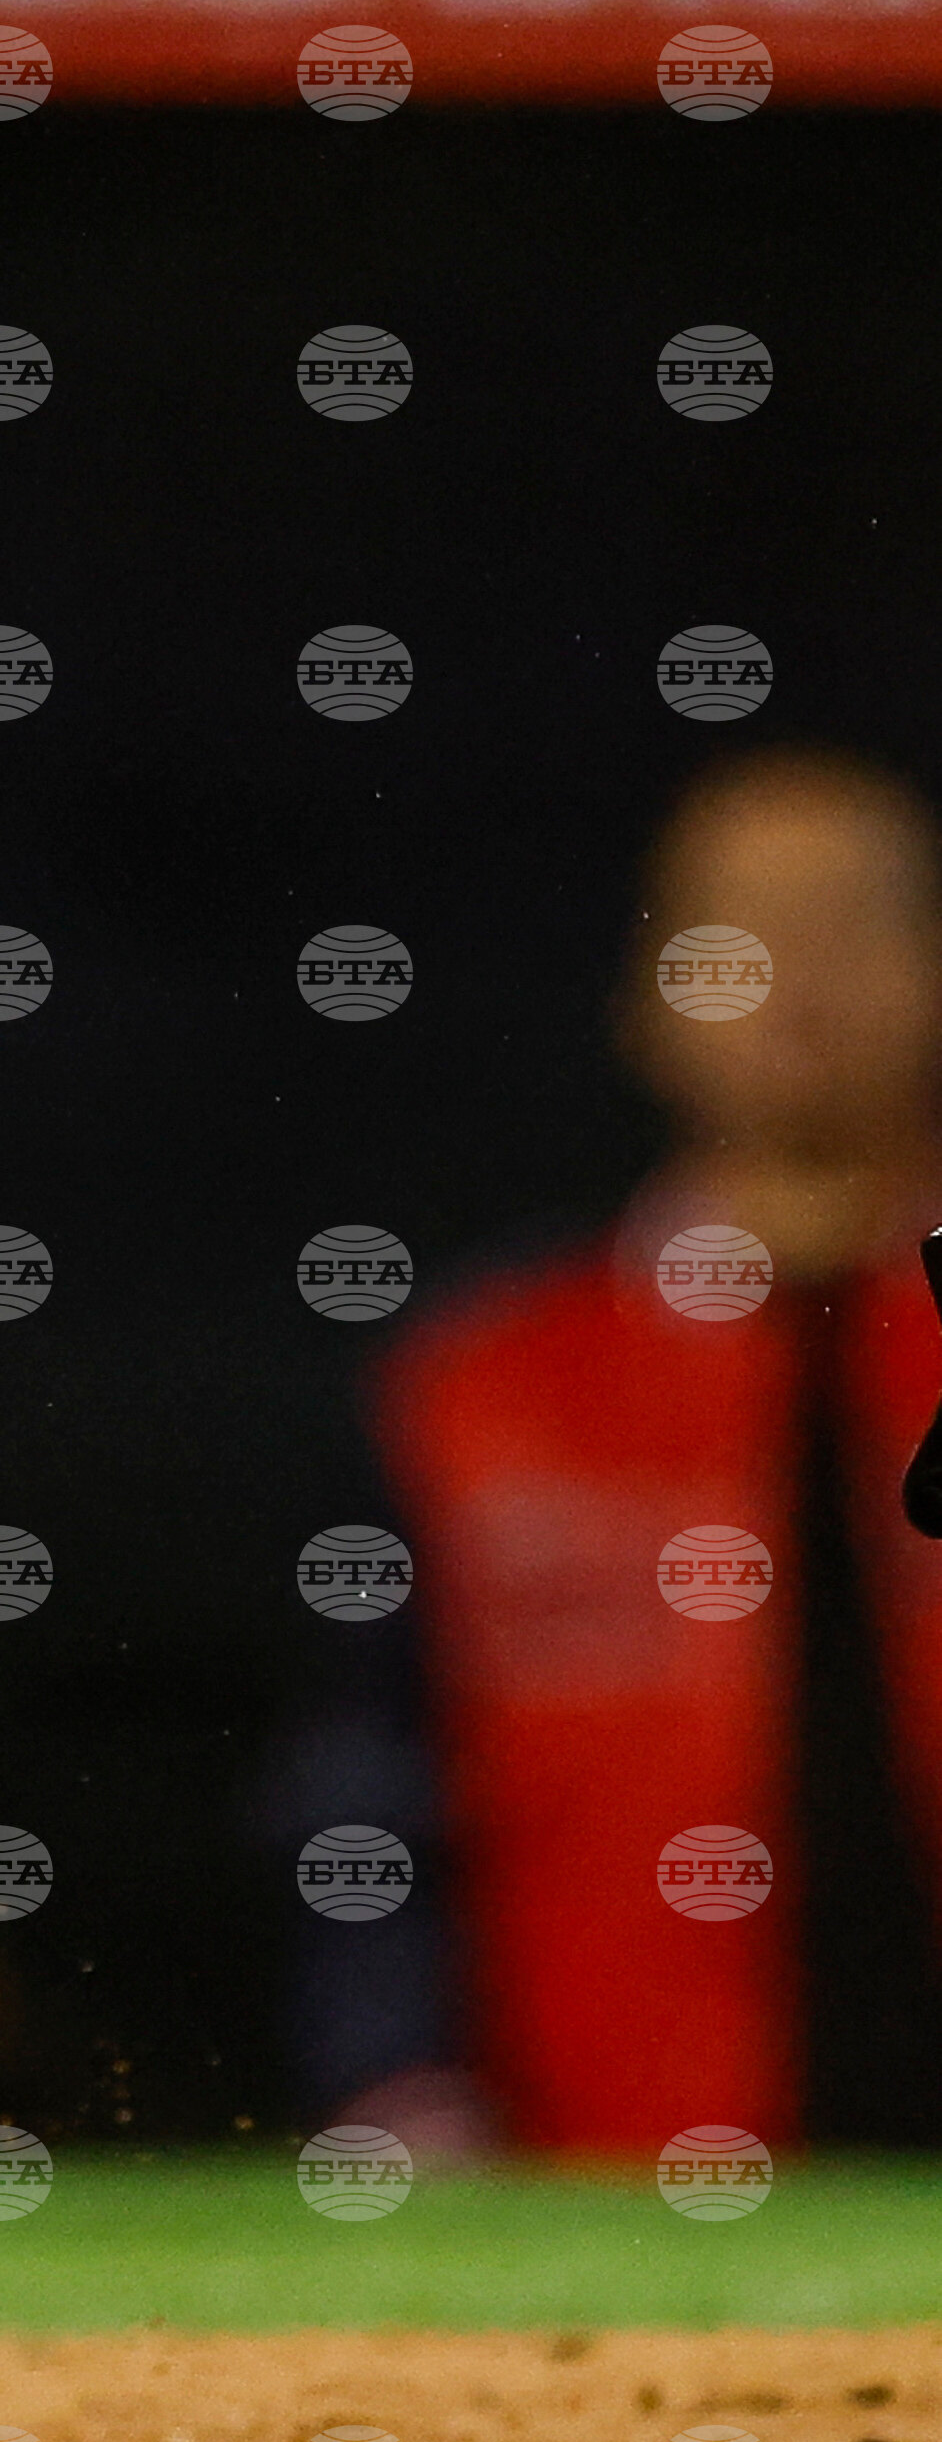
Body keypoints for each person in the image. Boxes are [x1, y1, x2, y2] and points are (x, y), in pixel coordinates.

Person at [370, 755, 942, 2152]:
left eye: (849, 924)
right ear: (647, 1005)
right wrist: (399, 2090)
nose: (795, 980)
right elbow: (367, 1790)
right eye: (737, 934)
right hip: (611, 2185)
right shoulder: (480, 1382)